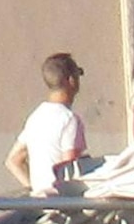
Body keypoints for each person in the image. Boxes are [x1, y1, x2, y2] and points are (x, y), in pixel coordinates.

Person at [13, 52, 93, 197]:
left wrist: (35, 189)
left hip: (41, 206)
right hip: (63, 206)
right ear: (71, 81)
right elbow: (69, 170)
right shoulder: (69, 119)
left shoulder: (36, 117)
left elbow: (14, 160)